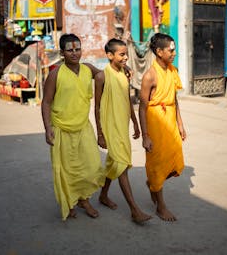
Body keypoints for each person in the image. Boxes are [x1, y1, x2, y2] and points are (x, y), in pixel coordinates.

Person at [41, 33, 105, 221]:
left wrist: (122, 66)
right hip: (61, 129)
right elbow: (46, 103)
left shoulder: (87, 69)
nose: (75, 53)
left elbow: (103, 75)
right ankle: (70, 202)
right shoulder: (55, 74)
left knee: (91, 166)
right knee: (67, 170)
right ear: (62, 53)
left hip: (84, 127)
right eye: (70, 50)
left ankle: (84, 199)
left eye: (78, 49)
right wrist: (47, 128)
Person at [94, 38, 152, 224]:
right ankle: (134, 210)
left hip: (122, 125)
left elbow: (127, 100)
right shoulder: (102, 77)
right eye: (121, 54)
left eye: (126, 54)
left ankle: (103, 196)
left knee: (114, 163)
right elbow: (96, 108)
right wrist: (100, 134)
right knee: (122, 165)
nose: (126, 57)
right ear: (109, 55)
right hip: (110, 127)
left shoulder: (125, 75)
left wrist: (135, 122)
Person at [138, 33, 186, 222]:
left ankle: (152, 183)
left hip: (170, 122)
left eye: (174, 49)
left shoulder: (172, 70)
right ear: (159, 52)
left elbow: (174, 99)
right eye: (170, 50)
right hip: (155, 123)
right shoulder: (150, 75)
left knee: (174, 162)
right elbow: (142, 107)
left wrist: (180, 124)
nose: (174, 53)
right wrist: (145, 136)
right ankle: (161, 207)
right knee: (157, 164)